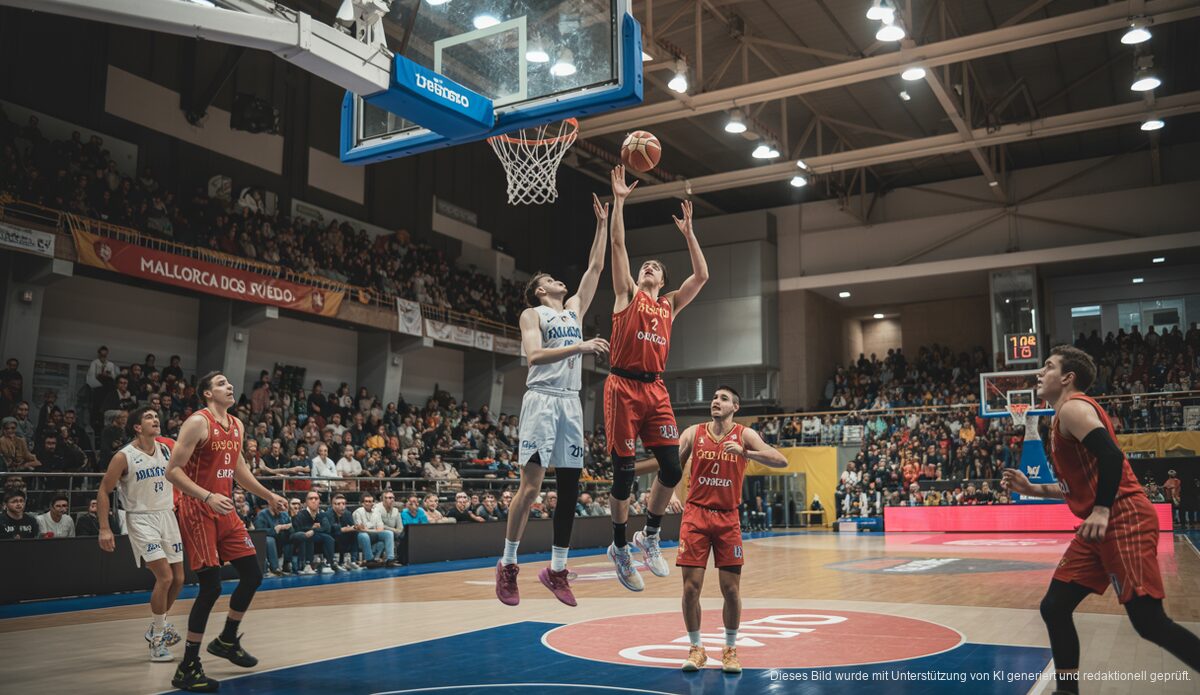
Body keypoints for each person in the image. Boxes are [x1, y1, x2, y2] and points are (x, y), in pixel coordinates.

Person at [1002, 346, 1200, 693]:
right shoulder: (1064, 416)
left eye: (1047, 366)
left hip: (1123, 518)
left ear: (1067, 378)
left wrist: (1102, 509)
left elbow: (1110, 455)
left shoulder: (1074, 408)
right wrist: (1032, 488)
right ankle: (1067, 690)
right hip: (1099, 526)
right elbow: (1077, 488)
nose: (1039, 373)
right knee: (1055, 606)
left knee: (1150, 622)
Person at [495, 192, 611, 607]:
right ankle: (508, 564)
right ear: (541, 289)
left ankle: (557, 571)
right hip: (541, 400)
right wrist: (578, 349)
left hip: (570, 403)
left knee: (569, 490)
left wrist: (603, 222)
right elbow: (533, 357)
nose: (561, 281)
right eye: (552, 280)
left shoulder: (575, 309)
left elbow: (596, 266)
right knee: (530, 488)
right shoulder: (534, 315)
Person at [604, 165, 709, 591]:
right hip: (622, 385)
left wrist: (688, 234)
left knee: (670, 465)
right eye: (644, 265)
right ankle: (618, 547)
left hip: (655, 387)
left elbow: (701, 276)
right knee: (624, 475)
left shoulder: (669, 305)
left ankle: (649, 534)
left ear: (663, 280)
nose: (647, 268)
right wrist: (621, 202)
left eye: (654, 268)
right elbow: (617, 242)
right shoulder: (626, 294)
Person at [165, 372, 287, 692]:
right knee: (211, 587)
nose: (229, 386)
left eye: (229, 383)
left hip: (225, 509)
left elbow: (238, 469)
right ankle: (188, 667)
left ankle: (227, 639)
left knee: (253, 574)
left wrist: (268, 495)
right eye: (221, 383)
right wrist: (205, 495)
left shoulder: (236, 424)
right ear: (207, 393)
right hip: (197, 508)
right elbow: (172, 471)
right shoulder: (197, 422)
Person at [666, 387, 786, 673]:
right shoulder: (693, 433)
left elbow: (781, 460)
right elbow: (672, 464)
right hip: (695, 515)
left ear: (735, 406)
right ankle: (696, 649)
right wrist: (671, 493)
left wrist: (747, 453)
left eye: (722, 399)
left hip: (727, 518)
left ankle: (730, 650)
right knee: (690, 588)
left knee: (731, 590)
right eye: (714, 398)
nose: (715, 402)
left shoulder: (744, 435)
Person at [97, 406, 185, 662]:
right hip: (141, 519)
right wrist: (105, 527)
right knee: (165, 577)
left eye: (157, 416)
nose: (156, 419)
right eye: (149, 417)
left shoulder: (166, 449)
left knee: (179, 578)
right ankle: (158, 641)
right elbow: (104, 491)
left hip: (167, 515)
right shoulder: (123, 456)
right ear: (137, 426)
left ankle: (157, 626)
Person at [352, 493, 397, 567]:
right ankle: (369, 560)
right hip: (360, 537)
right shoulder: (357, 512)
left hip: (373, 535)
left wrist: (368, 529)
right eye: (367, 501)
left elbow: (381, 528)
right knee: (364, 535)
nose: (369, 503)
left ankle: (390, 559)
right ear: (362, 503)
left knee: (389, 533)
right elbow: (360, 529)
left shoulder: (376, 511)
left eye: (371, 501)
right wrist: (374, 529)